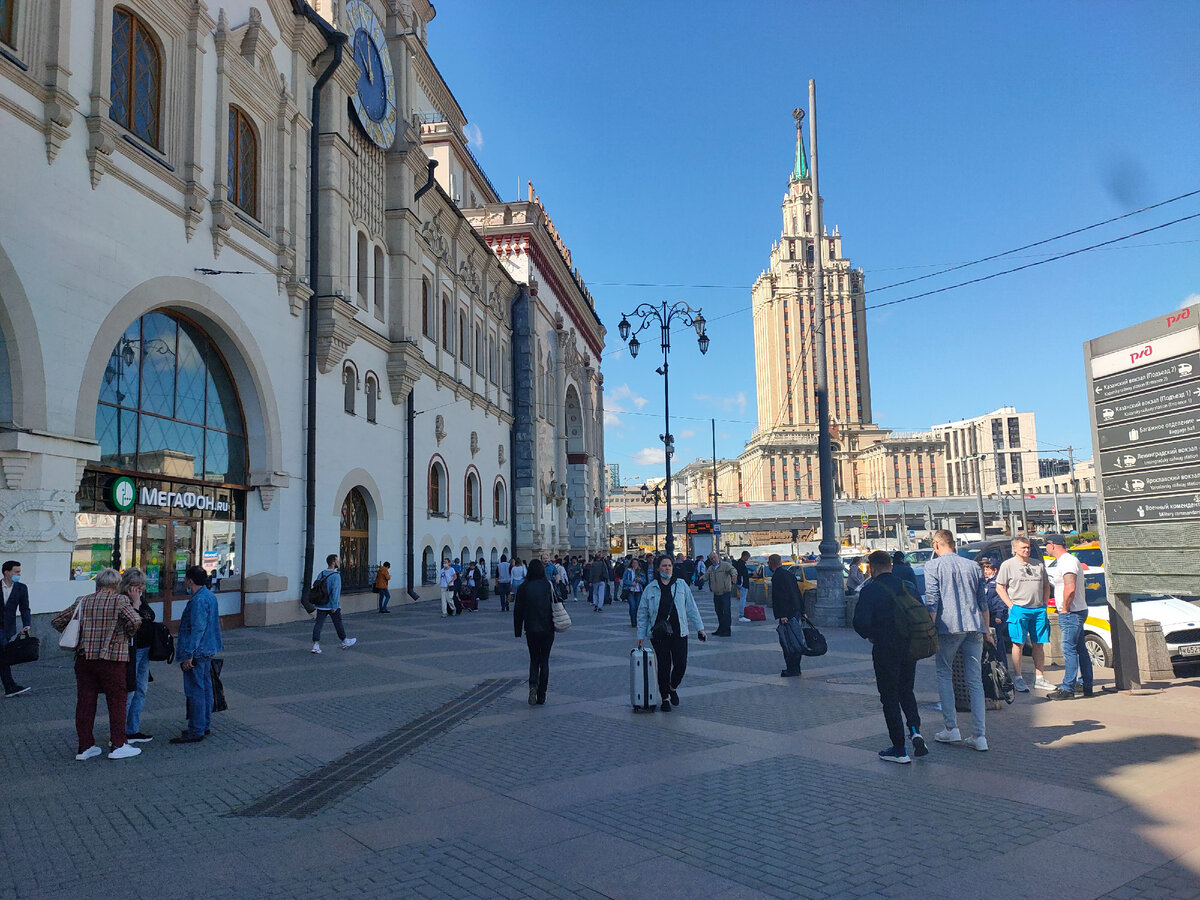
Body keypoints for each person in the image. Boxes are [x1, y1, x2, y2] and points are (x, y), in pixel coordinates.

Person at [51, 568, 142, 760]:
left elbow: (57, 620)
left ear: (97, 583)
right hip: (112, 658)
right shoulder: (120, 600)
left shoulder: (83, 600)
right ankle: (119, 744)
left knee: (85, 702)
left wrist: (79, 632)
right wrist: (124, 633)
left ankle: (85, 746)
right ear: (117, 584)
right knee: (117, 701)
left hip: (84, 658)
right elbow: (135, 620)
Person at [854, 550, 927, 764]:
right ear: (891, 565)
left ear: (873, 568)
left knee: (889, 697)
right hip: (909, 648)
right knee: (907, 691)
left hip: (885, 649)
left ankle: (899, 748)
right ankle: (915, 731)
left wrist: (872, 635)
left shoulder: (871, 590)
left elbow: (860, 623)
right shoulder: (908, 586)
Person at [924, 529, 991, 751]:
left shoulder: (933, 566)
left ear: (936, 544)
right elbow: (983, 602)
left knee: (944, 673)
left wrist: (930, 630)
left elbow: (932, 601)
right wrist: (987, 630)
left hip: (948, 628)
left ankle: (951, 729)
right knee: (975, 680)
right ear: (954, 544)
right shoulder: (973, 566)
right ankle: (979, 735)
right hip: (975, 626)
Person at [637, 555, 706, 711]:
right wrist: (640, 636)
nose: (667, 568)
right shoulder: (651, 588)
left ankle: (672, 687)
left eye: (669, 565)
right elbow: (642, 613)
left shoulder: (681, 585)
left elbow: (691, 608)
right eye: (664, 565)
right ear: (658, 568)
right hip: (659, 633)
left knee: (681, 664)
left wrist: (700, 628)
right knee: (664, 666)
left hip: (679, 631)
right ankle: (665, 698)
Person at [170, 566, 224, 745]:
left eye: (186, 579)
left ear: (190, 581)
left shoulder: (198, 600)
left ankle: (196, 729)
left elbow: (198, 628)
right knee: (205, 688)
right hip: (208, 649)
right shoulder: (209, 596)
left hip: (198, 651)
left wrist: (189, 654)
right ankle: (203, 724)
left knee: (195, 690)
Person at [995, 536, 1052, 692]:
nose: (1026, 550)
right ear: (1015, 549)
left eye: (1028, 547)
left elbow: (1046, 585)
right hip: (1019, 608)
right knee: (1018, 643)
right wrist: (1011, 606)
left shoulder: (1038, 564)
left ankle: (1039, 677)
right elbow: (1000, 587)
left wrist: (1045, 604)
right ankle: (1019, 678)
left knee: (1039, 644)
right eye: (1023, 548)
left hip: (1038, 608)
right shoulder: (1007, 565)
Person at [1045, 534, 1093, 700]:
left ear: (1052, 545)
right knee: (1080, 649)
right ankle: (1087, 685)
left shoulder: (1067, 561)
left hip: (1071, 612)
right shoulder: (1067, 561)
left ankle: (1068, 688)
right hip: (1076, 611)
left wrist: (1065, 608)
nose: (1046, 548)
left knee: (1069, 649)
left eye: (1047, 545)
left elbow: (1070, 588)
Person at [513, 559, 555, 706]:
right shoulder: (547, 585)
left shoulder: (524, 587)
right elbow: (557, 601)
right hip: (548, 628)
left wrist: (518, 630)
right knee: (544, 661)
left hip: (531, 628)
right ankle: (542, 693)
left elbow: (517, 611)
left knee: (534, 659)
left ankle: (532, 686)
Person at [121, 568, 155, 743]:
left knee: (141, 690)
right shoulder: (124, 601)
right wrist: (135, 604)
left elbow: (150, 616)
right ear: (128, 585)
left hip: (145, 649)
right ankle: (121, 732)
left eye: (142, 584)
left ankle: (132, 729)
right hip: (131, 651)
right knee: (130, 690)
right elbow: (132, 623)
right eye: (137, 584)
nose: (141, 588)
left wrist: (139, 602)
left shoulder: (141, 599)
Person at [312, 554, 356, 652]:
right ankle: (344, 640)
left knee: (318, 624)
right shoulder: (336, 576)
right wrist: (334, 606)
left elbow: (316, 587)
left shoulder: (321, 573)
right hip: (331, 605)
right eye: (337, 560)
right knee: (338, 623)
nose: (339, 562)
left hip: (321, 604)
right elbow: (336, 592)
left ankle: (316, 645)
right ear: (333, 562)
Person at [2, 559, 32, 698]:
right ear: (6, 572)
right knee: (3, 656)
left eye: (20, 572)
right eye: (16, 572)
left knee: (3, 656)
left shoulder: (21, 588)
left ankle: (10, 686)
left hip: (8, 629)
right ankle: (10, 686)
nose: (19, 574)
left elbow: (25, 608)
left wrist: (27, 625)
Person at [770, 554, 804, 677]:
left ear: (771, 563)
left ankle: (792, 668)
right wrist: (803, 610)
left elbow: (780, 597)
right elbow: (797, 593)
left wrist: (782, 614)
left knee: (787, 642)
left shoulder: (777, 577)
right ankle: (797, 667)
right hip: (796, 611)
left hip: (786, 614)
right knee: (796, 640)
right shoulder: (790, 575)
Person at [981, 558, 1010, 668]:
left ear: (995, 570)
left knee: (997, 641)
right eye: (984, 568)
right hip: (986, 615)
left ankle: (1002, 667)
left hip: (996, 616)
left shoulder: (998, 582)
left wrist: (999, 615)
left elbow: (1001, 600)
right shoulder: (984, 581)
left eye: (988, 568)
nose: (985, 570)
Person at [708, 554, 736, 637]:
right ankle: (721, 629)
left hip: (725, 593)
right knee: (719, 612)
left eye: (714, 557)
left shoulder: (725, 565)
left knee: (726, 612)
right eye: (711, 558)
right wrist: (701, 578)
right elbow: (706, 575)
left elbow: (733, 570)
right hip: (716, 593)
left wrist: (734, 575)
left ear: (718, 557)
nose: (713, 559)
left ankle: (727, 630)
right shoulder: (711, 568)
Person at [622, 558, 647, 628]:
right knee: (633, 606)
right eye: (633, 563)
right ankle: (633, 622)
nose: (635, 564)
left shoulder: (640, 571)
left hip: (638, 591)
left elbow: (644, 581)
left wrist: (640, 580)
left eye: (636, 563)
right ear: (631, 564)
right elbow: (624, 580)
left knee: (638, 607)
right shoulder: (628, 571)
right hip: (630, 591)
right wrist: (631, 583)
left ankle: (637, 620)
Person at [735, 551, 752, 623]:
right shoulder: (741, 565)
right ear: (744, 556)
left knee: (743, 599)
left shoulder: (738, 563)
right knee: (743, 599)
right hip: (743, 584)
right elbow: (743, 575)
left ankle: (742, 615)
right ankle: (741, 615)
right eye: (748, 557)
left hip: (741, 583)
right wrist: (751, 575)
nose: (748, 559)